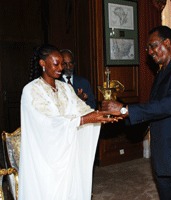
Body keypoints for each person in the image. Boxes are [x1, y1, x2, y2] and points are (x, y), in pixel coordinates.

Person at [102, 26, 171, 200]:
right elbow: (154, 110)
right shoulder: (160, 74)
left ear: (167, 43)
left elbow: (169, 105)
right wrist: (122, 115)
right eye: (148, 49)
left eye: (152, 46)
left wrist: (125, 110)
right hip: (162, 158)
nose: (150, 52)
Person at [19, 44, 119, 200]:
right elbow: (47, 122)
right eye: (56, 63)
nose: (61, 67)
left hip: (68, 150)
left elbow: (82, 109)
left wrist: (104, 115)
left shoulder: (65, 88)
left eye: (63, 63)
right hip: (46, 156)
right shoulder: (31, 90)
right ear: (42, 63)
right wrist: (85, 119)